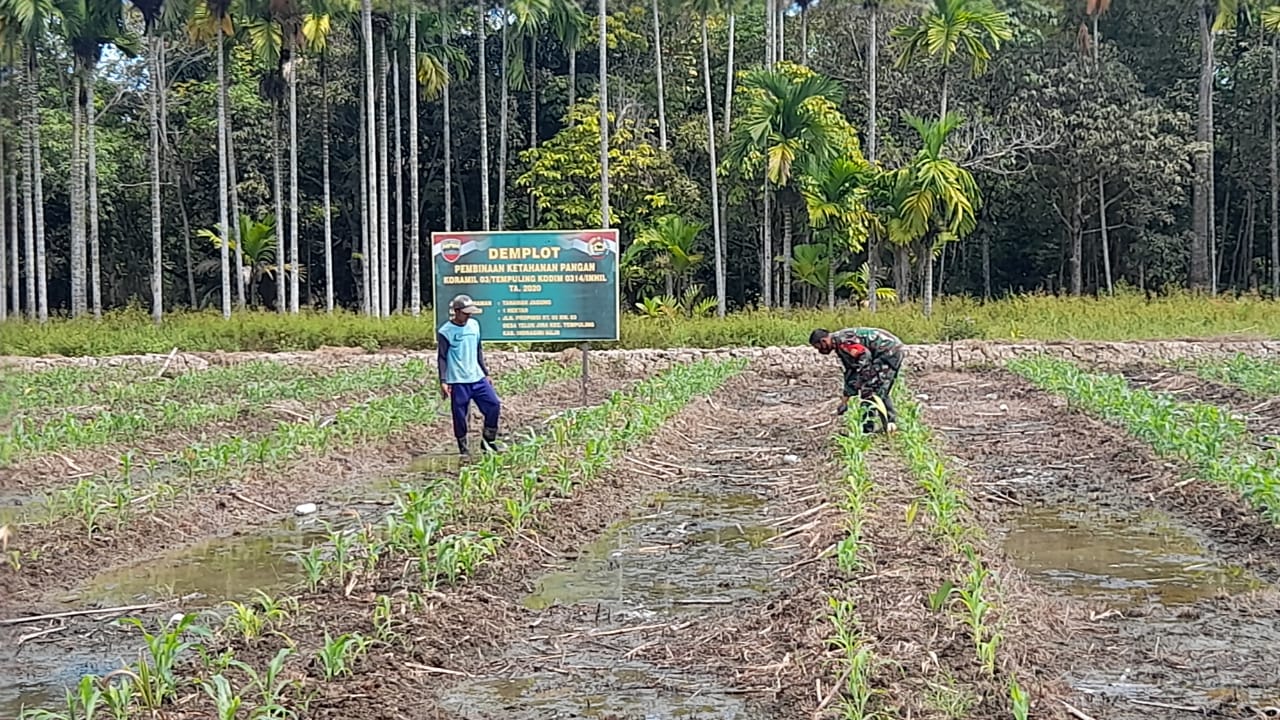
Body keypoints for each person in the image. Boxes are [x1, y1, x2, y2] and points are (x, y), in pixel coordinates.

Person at [438, 294, 503, 456]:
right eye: (465, 313)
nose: (468, 316)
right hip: (458, 380)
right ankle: (463, 448)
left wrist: (485, 372)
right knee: (460, 415)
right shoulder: (446, 331)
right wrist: (443, 380)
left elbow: (478, 349)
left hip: (477, 377)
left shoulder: (474, 325)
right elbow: (442, 357)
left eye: (470, 313)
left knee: (493, 404)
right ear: (456, 311)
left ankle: (488, 441)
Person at [809, 326, 905, 433]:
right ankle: (889, 425)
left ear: (823, 341)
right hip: (892, 349)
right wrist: (845, 400)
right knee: (879, 389)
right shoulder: (840, 344)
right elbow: (851, 372)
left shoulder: (844, 343)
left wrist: (864, 380)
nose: (819, 351)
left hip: (887, 351)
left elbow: (864, 355)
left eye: (818, 347)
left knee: (869, 392)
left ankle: (867, 430)